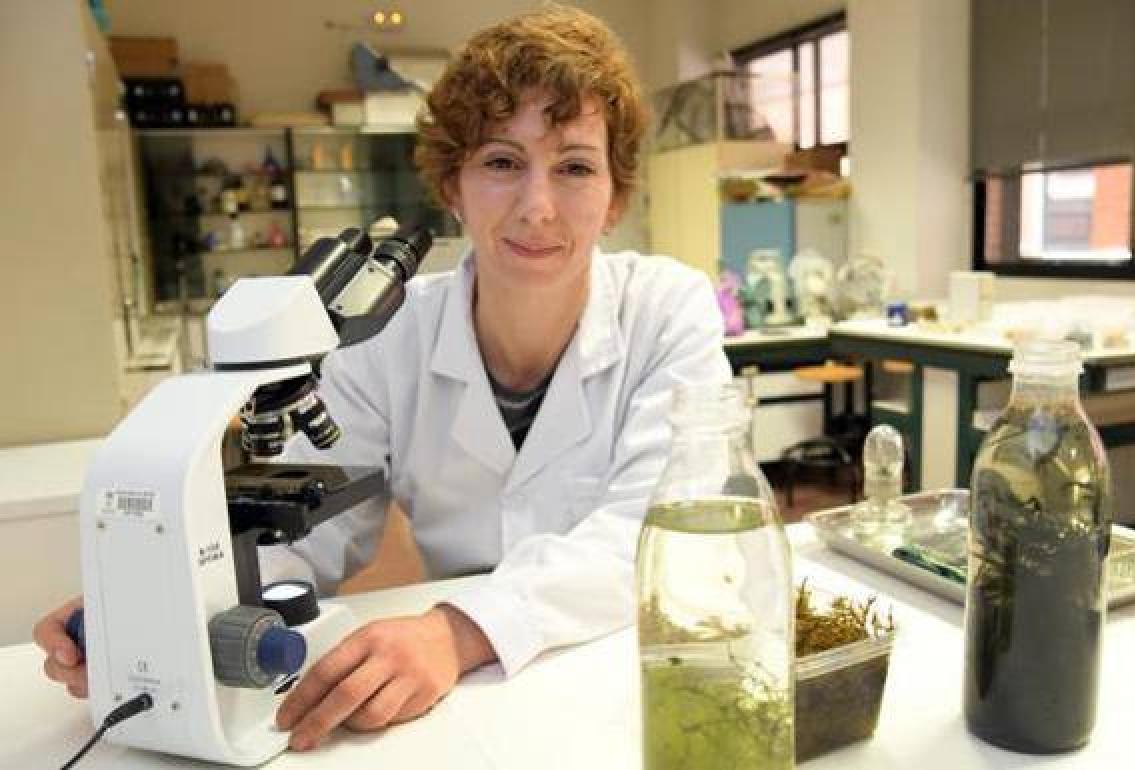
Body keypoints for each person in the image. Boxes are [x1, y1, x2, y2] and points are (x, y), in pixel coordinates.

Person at [33, 2, 731, 753]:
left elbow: (660, 534)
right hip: (459, 705)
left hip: (620, 669)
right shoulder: (387, 330)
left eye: (574, 167)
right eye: (501, 162)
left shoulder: (669, 309)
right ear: (452, 186)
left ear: (616, 197)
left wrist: (460, 630)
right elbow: (306, 533)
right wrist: (161, 605)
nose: (537, 207)